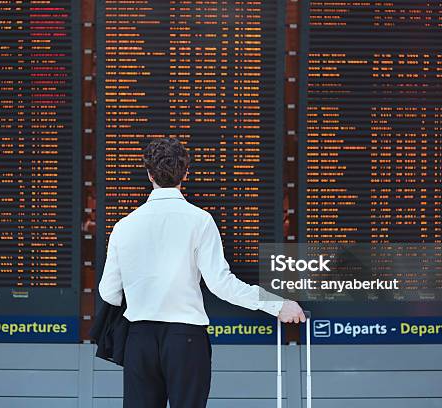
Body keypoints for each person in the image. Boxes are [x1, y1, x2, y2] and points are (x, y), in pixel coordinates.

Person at [99, 137, 305, 408]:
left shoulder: (124, 226)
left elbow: (108, 293)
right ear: (186, 173)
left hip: (140, 340)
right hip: (185, 339)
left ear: (149, 174)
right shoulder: (200, 220)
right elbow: (221, 284)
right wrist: (277, 304)